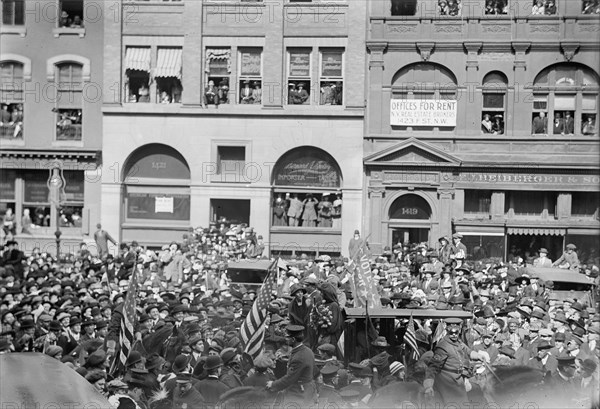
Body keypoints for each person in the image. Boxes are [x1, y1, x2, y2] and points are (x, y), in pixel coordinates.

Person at [424, 318, 488, 405]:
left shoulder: (458, 342)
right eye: (451, 333)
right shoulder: (443, 346)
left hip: (459, 378)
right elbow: (432, 367)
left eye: (456, 333)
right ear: (447, 330)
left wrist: (478, 356)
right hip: (447, 382)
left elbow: (467, 351)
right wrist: (428, 386)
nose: (454, 335)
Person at [266, 325, 317, 405]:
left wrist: (273, 384)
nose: (285, 339)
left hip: (298, 393)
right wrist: (285, 359)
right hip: (308, 389)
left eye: (287, 337)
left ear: (293, 339)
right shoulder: (307, 350)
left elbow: (289, 379)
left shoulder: (298, 357)